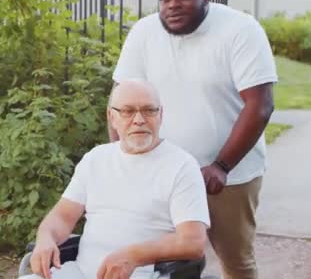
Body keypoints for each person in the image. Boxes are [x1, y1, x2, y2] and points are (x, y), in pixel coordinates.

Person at [110, 0, 277, 279]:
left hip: (229, 177)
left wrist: (221, 166)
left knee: (236, 262)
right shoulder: (144, 32)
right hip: (160, 173)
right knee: (153, 259)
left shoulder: (241, 29)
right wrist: (125, 158)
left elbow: (260, 105)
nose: (173, 5)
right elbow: (121, 101)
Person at [21, 80, 209, 279]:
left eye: (149, 110)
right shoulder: (96, 158)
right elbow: (62, 217)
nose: (139, 119)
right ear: (112, 117)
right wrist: (45, 239)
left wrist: (133, 256)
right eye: (128, 111)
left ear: (160, 115)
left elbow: (193, 241)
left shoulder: (181, 166)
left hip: (144, 275)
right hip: (80, 272)